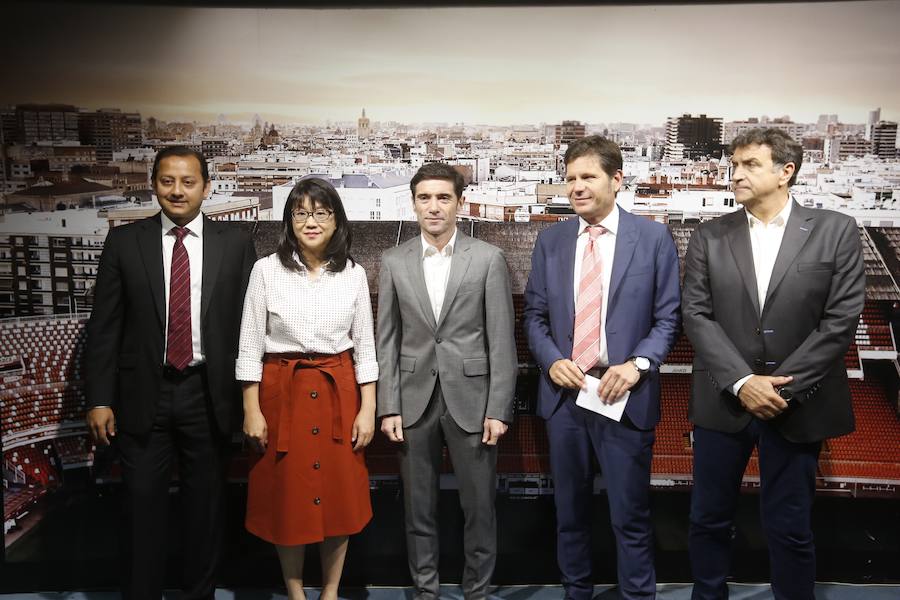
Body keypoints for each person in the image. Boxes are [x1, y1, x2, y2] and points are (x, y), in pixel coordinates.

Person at [682, 128, 865, 600]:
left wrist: (779, 388)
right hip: (724, 401)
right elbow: (696, 314)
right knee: (708, 519)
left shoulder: (836, 230)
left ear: (787, 172)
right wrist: (743, 382)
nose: (735, 174)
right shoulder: (709, 234)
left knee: (790, 524)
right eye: (733, 165)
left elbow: (840, 321)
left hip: (797, 406)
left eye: (749, 165)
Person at [85, 146, 256, 599]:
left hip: (209, 395)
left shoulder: (236, 244)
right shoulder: (125, 242)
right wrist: (100, 398)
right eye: (167, 181)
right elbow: (104, 327)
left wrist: (248, 400)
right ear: (153, 183)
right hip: (144, 395)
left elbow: (248, 326)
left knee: (206, 513)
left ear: (206, 186)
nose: (177, 191)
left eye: (187, 182)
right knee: (142, 513)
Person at [523, 136, 681, 600]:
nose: (576, 187)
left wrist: (638, 365)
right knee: (569, 513)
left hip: (624, 395)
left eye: (587, 177)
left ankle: (638, 596)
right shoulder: (550, 241)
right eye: (570, 178)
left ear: (616, 179)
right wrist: (551, 360)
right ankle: (577, 592)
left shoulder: (653, 238)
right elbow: (533, 316)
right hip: (566, 398)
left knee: (628, 515)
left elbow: (668, 317)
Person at [376, 162, 517, 600]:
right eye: (424, 198)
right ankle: (426, 591)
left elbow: (501, 341)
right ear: (413, 203)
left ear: (459, 203)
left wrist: (498, 409)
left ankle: (477, 592)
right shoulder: (393, 261)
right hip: (413, 401)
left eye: (443, 198)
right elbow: (387, 340)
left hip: (473, 401)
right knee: (418, 508)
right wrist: (389, 405)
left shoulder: (488, 259)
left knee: (478, 508)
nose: (433, 207)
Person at [237, 177, 377, 600]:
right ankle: (295, 592)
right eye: (301, 212)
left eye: (321, 212)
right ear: (289, 220)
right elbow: (248, 344)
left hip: (340, 391)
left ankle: (331, 592)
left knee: (339, 494)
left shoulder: (353, 274)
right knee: (288, 494)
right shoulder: (265, 270)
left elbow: (366, 349)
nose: (310, 221)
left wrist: (368, 408)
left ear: (336, 221)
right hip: (283, 390)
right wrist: (251, 408)